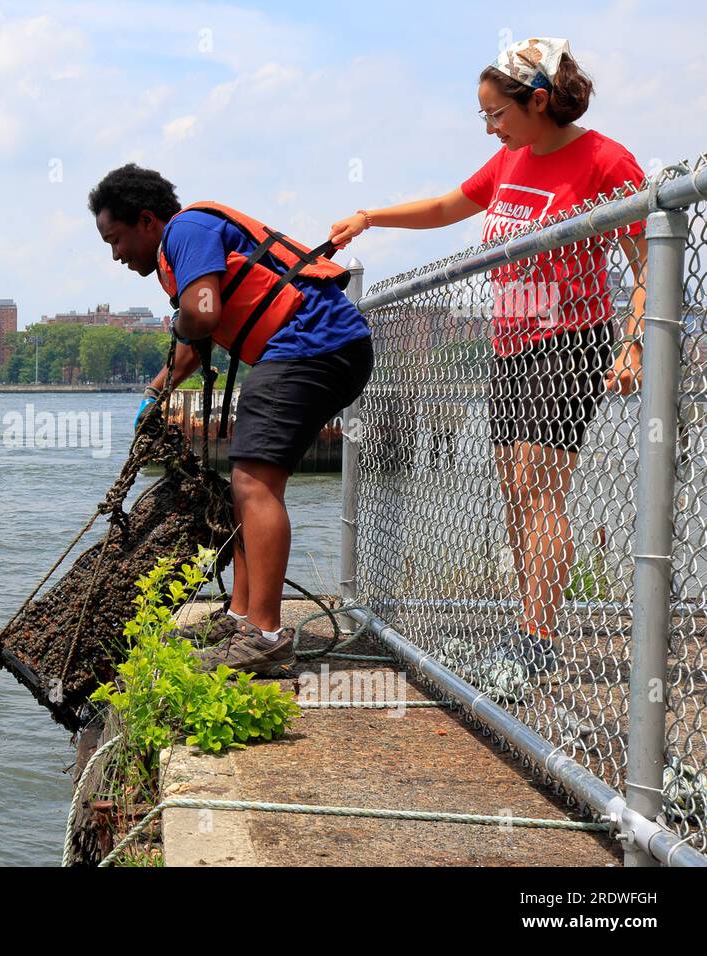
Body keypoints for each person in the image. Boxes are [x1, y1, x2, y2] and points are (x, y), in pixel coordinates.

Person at [328, 37, 648, 682]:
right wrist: (370, 216)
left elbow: (649, 267)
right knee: (514, 496)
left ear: (537, 100)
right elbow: (449, 206)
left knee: (539, 490)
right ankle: (531, 632)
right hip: (508, 346)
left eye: (495, 114)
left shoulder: (605, 161)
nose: (489, 128)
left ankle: (535, 640)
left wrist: (632, 341)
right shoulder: (509, 161)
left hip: (569, 339)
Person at [89, 164, 373, 676]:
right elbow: (196, 348)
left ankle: (264, 636)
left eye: (116, 239)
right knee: (247, 479)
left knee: (254, 482)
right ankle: (243, 619)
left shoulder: (186, 232)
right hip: (306, 350)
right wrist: (156, 392)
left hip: (312, 344)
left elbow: (202, 312)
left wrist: (178, 319)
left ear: (148, 221)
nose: (116, 255)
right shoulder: (181, 249)